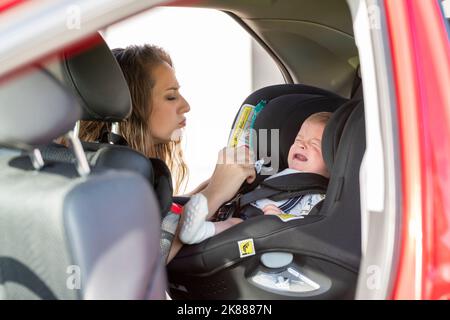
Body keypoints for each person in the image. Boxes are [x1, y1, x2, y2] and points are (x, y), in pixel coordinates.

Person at [177, 112, 332, 245]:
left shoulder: (318, 197)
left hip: (264, 229)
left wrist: (282, 220)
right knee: (231, 222)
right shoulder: (273, 169)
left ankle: (196, 231)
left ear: (333, 162)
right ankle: (196, 227)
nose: (302, 145)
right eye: (298, 140)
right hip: (239, 210)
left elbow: (307, 229)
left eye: (314, 144)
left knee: (235, 225)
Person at [78, 44, 192, 194]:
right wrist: (216, 193)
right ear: (134, 105)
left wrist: (207, 191)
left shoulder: (97, 162)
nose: (186, 106)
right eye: (171, 97)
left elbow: (159, 216)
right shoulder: (111, 176)